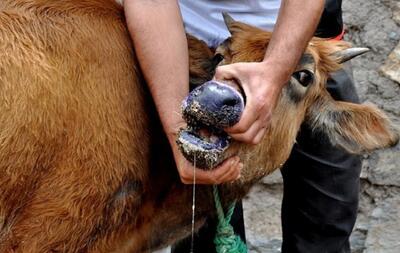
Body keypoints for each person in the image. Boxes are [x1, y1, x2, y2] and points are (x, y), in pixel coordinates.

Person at [124, 0, 362, 252]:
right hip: (196, 54)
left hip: (311, 54)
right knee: (205, 233)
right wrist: (178, 130)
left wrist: (275, 75)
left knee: (326, 223)